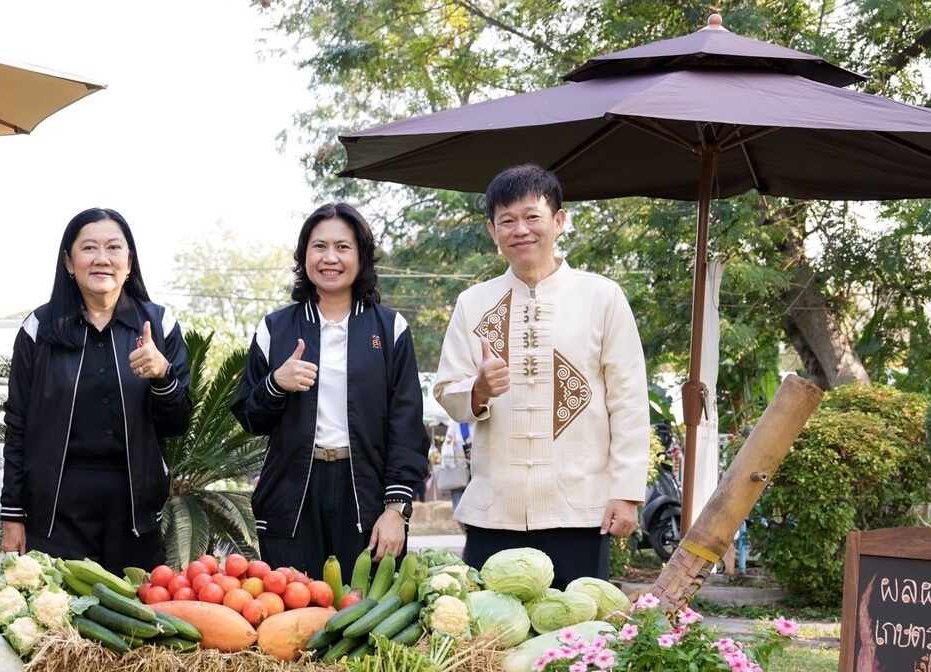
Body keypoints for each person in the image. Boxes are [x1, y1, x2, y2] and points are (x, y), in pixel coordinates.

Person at [432, 164, 648, 588]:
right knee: (490, 637)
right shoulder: (473, 303)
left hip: (579, 508)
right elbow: (446, 389)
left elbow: (628, 400)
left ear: (559, 220)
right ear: (492, 231)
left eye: (532, 216)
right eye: (507, 220)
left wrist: (626, 491)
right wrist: (477, 389)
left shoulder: (601, 297)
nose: (520, 230)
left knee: (576, 633)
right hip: (495, 509)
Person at [232, 203, 428, 577]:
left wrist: (396, 507)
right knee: (292, 617)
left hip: (365, 493)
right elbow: (248, 416)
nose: (330, 258)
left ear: (361, 256)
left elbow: (407, 427)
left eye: (343, 247)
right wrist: (276, 384)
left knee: (362, 614)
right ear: (304, 255)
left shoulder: (390, 328)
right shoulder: (276, 329)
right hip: (292, 495)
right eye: (319, 246)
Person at [0, 207, 191, 574]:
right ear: (69, 262)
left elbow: (177, 422)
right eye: (89, 248)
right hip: (56, 512)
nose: (102, 259)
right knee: (57, 623)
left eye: (113, 248)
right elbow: (17, 424)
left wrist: (162, 375)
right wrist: (13, 514)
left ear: (129, 262)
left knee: (135, 623)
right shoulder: (40, 328)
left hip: (136, 511)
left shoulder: (159, 324)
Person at [435, 427, 470, 511]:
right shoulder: (454, 423)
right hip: (457, 467)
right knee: (458, 506)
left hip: (475, 467)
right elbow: (448, 440)